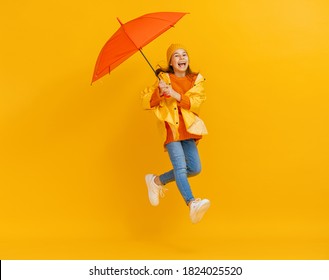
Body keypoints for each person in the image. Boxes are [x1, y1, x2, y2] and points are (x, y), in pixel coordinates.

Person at [141, 44, 210, 224]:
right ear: (171, 62)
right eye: (176, 56)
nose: (181, 58)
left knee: (195, 168)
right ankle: (192, 202)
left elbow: (196, 102)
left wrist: (176, 94)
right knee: (180, 167)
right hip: (171, 128)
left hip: (188, 130)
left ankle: (157, 180)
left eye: (184, 54)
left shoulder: (196, 80)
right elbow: (146, 101)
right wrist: (160, 92)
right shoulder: (164, 79)